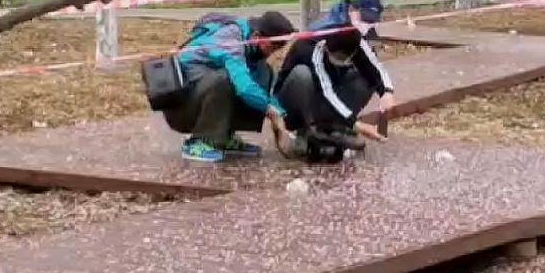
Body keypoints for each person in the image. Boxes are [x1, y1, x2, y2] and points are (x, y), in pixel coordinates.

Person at [164, 10, 295, 162]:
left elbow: (260, 89)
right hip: (181, 109)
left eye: (282, 45)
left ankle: (223, 137)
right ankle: (200, 141)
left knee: (263, 75)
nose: (278, 50)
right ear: (257, 36)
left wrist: (282, 116)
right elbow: (244, 87)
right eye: (275, 44)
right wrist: (270, 111)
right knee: (226, 79)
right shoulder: (230, 40)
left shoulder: (250, 46)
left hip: (202, 97)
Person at [274, 23, 389, 158]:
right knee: (302, 74)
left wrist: (386, 92)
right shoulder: (309, 47)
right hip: (291, 105)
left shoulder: (358, 45)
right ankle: (305, 131)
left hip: (324, 100)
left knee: (366, 78)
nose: (339, 59)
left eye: (343, 56)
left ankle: (335, 128)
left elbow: (376, 70)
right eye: (336, 55)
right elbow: (326, 91)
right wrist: (355, 124)